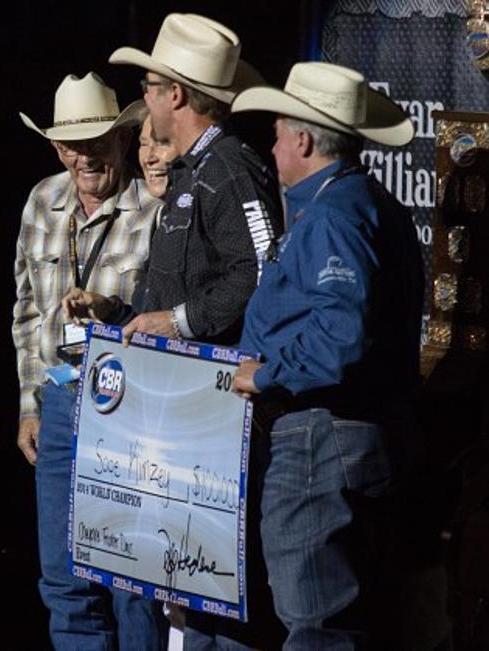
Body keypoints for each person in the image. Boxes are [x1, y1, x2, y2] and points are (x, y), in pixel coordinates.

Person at [62, 14, 287, 649]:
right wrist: (123, 311)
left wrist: (178, 321)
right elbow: (182, 281)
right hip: (179, 408)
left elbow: (261, 270)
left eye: (151, 86)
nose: (148, 102)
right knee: (177, 594)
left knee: (213, 591)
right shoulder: (192, 171)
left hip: (215, 412)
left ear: (177, 96)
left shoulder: (230, 170)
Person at [229, 61, 422, 648]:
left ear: (304, 140)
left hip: (320, 437)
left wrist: (266, 374)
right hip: (344, 437)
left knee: (317, 621)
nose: (274, 144)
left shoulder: (334, 215)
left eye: (280, 132)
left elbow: (341, 333)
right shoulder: (361, 204)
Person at [13, 72, 168, 650]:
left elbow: (172, 308)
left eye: (98, 141)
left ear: (123, 140)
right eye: (72, 145)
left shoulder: (153, 205)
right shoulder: (41, 200)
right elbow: (27, 312)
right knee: (65, 580)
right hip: (59, 403)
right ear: (56, 148)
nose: (85, 156)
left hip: (129, 410)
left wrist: (114, 309)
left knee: (133, 584)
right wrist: (30, 404)